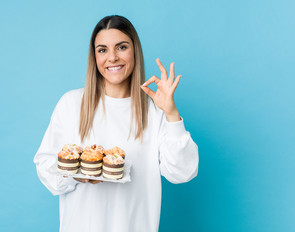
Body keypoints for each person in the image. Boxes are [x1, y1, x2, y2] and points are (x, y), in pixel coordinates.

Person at [33, 15, 199, 232]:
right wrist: (76, 176)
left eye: (121, 47)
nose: (112, 57)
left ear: (134, 51)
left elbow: (182, 173)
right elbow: (45, 166)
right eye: (102, 50)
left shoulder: (154, 110)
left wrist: (171, 113)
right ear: (94, 57)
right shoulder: (71, 103)